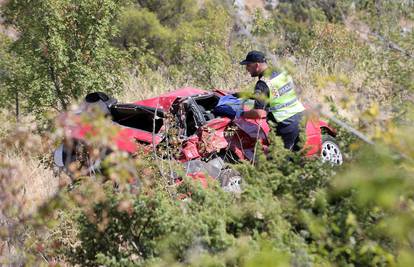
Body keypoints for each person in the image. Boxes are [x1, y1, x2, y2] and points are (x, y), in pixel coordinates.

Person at [238, 50, 305, 151]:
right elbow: (279, 93)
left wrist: (241, 114)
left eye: (248, 65)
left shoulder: (262, 84)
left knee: (277, 161)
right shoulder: (280, 72)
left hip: (286, 123)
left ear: (256, 65)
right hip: (301, 116)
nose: (247, 69)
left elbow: (260, 113)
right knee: (296, 158)